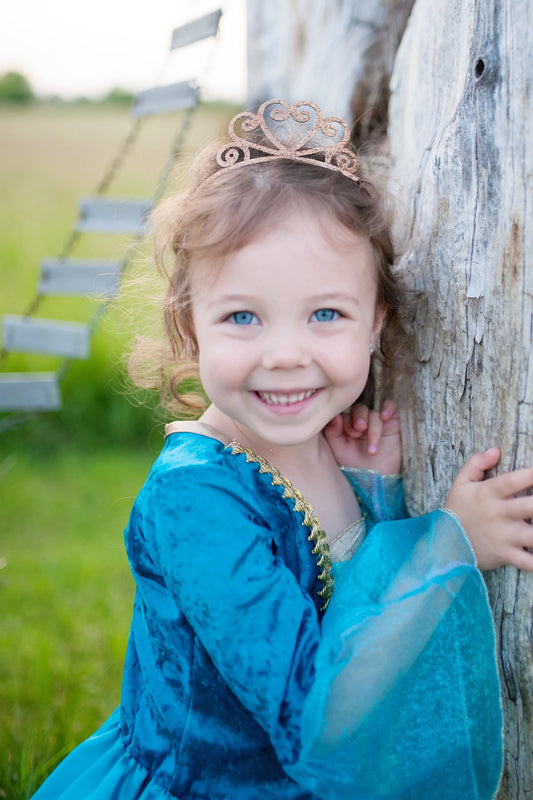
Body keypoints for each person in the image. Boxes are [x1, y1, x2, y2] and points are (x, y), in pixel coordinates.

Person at [32, 99, 533, 800]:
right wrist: (445, 546)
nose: (287, 355)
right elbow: (317, 710)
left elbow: (341, 588)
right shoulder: (193, 499)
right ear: (190, 327)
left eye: (325, 314)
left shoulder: (316, 450)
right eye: (242, 316)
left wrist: (370, 497)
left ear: (373, 324)